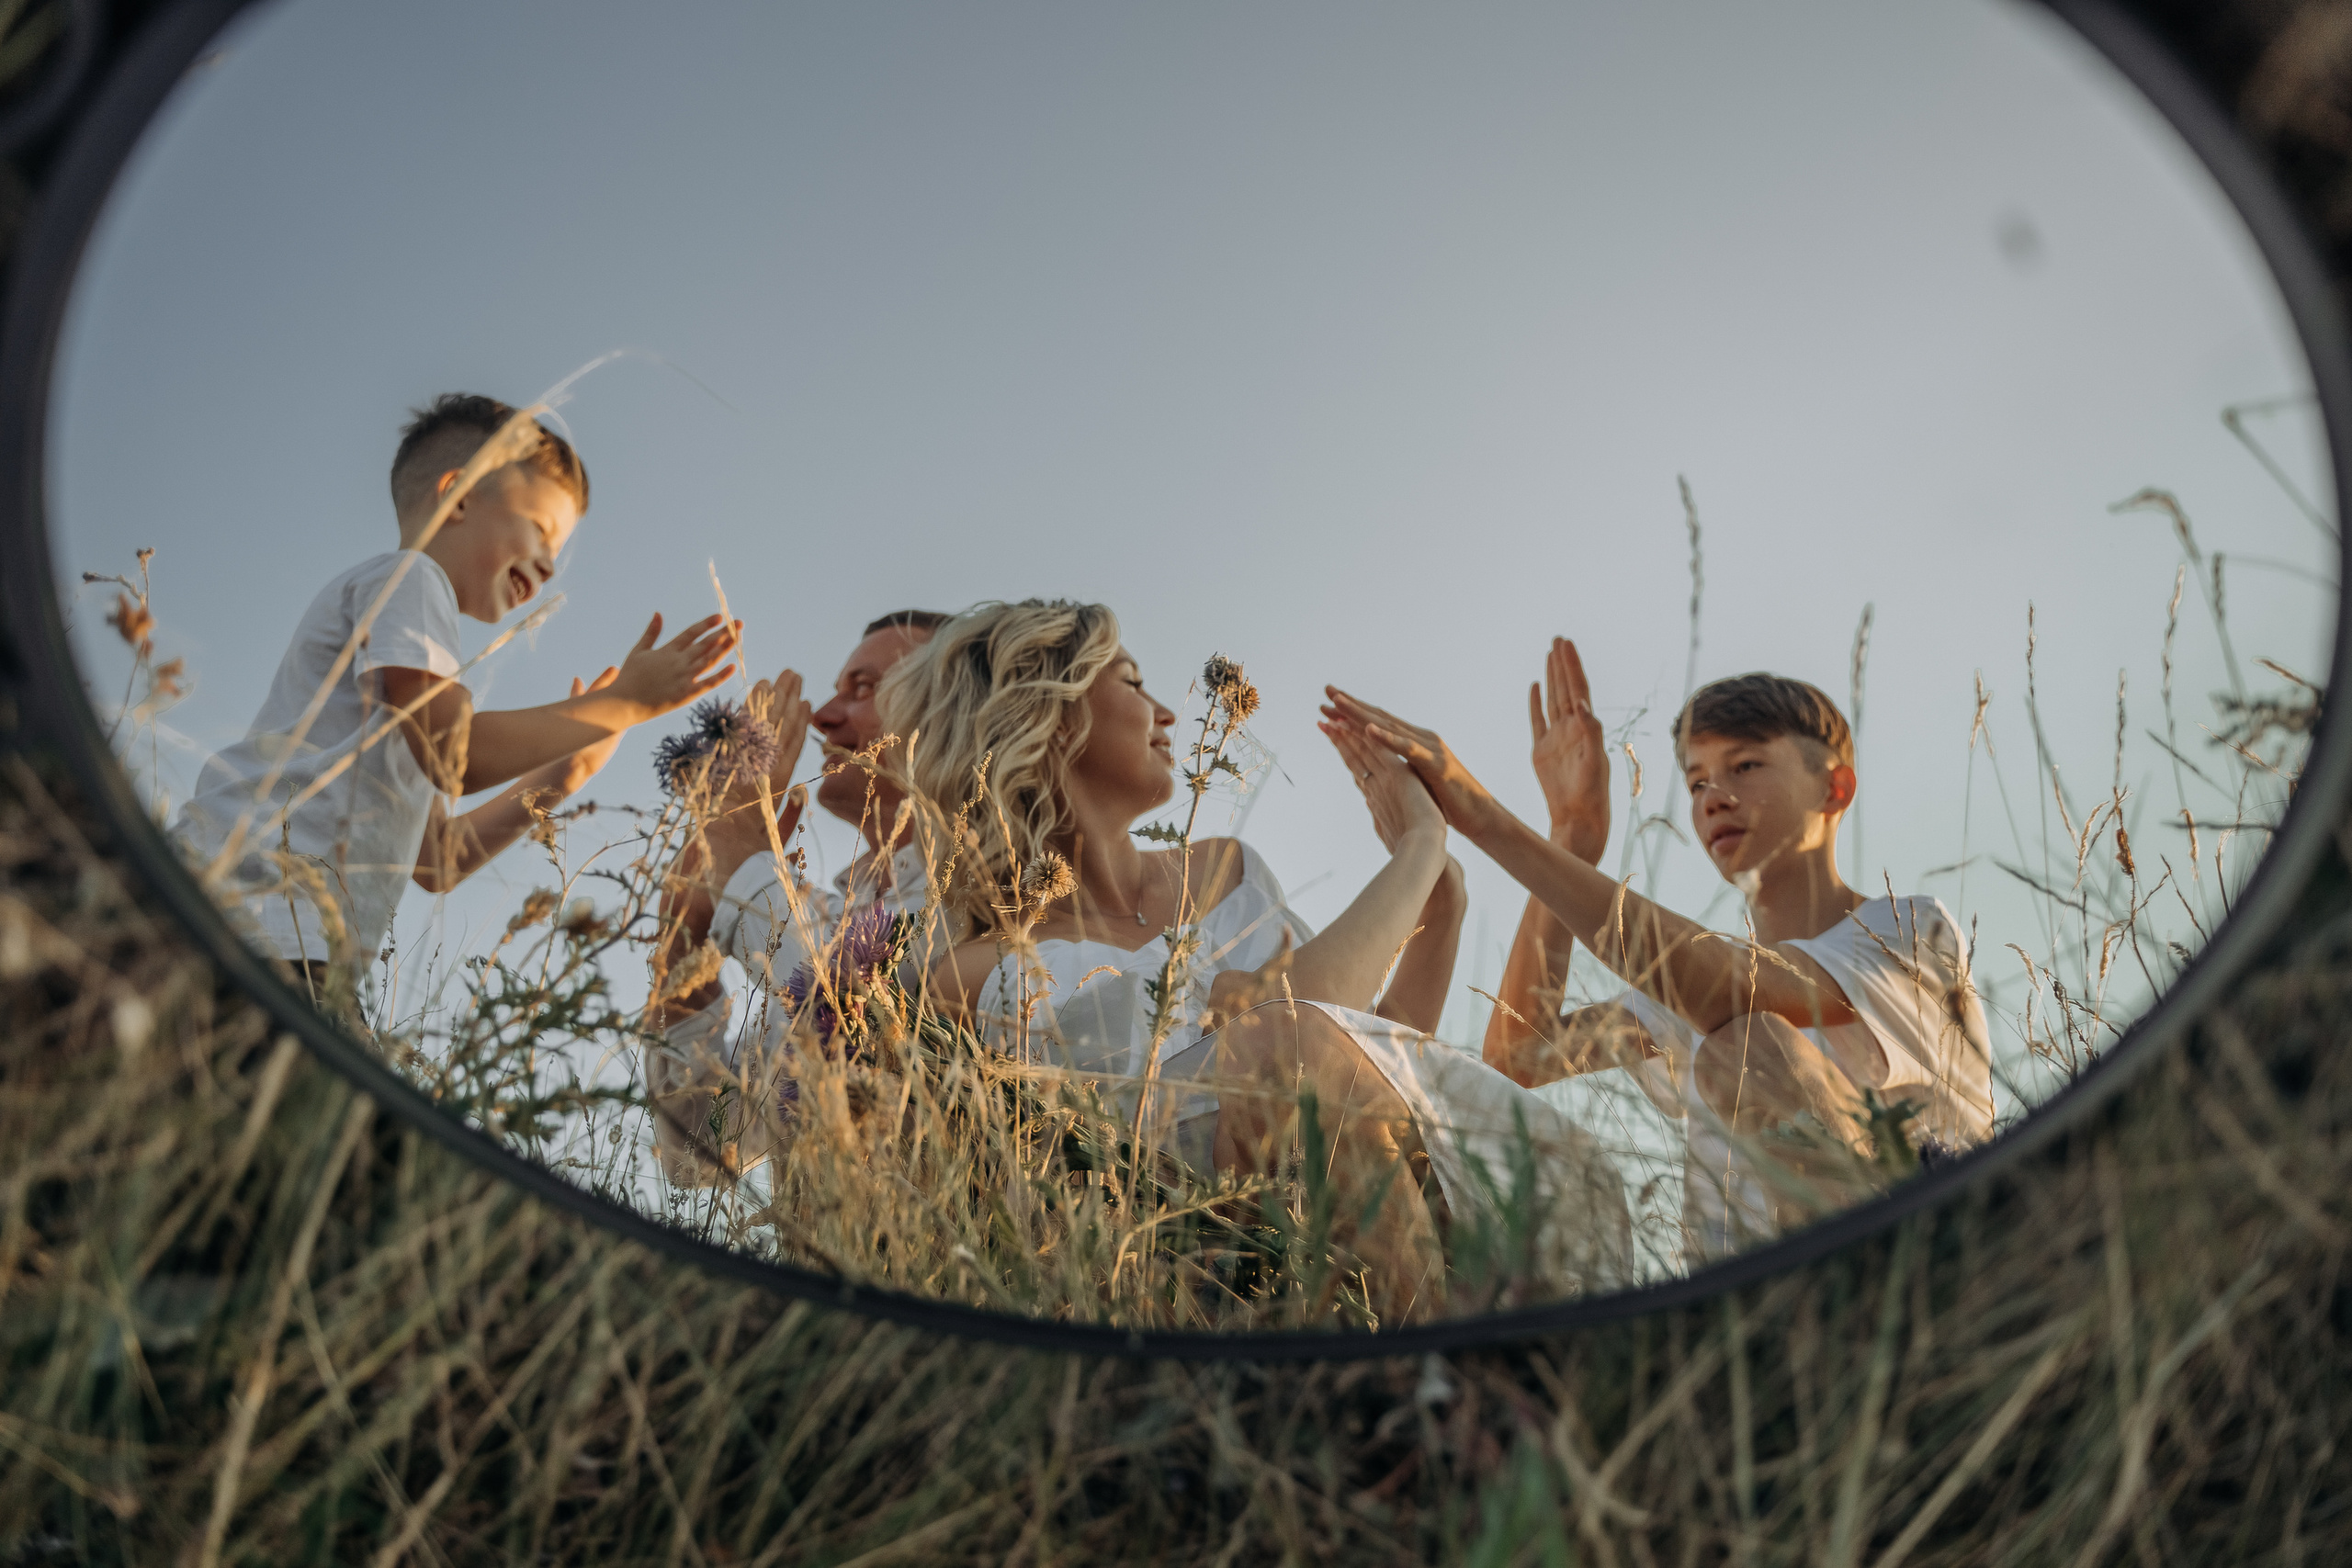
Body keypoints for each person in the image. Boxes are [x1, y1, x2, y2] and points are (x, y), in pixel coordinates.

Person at [888, 600, 1626, 1323]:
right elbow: (1291, 1031)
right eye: (1133, 681)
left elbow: (1351, 1061)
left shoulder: (1226, 870)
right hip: (1190, 1264)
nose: (1167, 713)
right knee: (1276, 1038)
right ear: (1049, 712)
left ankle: (1447, 1360)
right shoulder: (971, 971)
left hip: (1372, 1207)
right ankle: (1433, 1371)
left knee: (1294, 1046)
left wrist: (1442, 911)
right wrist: (1421, 845)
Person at [1332, 647, 1995, 1259]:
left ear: (1834, 787)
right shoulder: (1692, 985)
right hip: (1748, 1310)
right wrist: (1571, 837)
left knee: (1747, 1046)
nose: (1714, 798)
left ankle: (1861, 1277)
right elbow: (1520, 1056)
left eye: (1746, 766)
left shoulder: (1908, 930)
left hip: (1928, 1257)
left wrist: (1488, 821)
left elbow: (1738, 990)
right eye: (1697, 781)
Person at [171, 393, 742, 995]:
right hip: (256, 918)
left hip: (291, 940)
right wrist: (625, 703)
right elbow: (456, 755)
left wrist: (564, 772)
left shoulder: (411, 664)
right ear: (459, 494)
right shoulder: (411, 580)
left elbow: (438, 859)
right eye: (541, 531)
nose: (550, 566)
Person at [646, 610, 951, 1182]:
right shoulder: (829, 917)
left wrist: (743, 861)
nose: (823, 718)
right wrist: (685, 930)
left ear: (957, 712)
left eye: (865, 688)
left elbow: (851, 1021)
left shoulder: (1002, 900)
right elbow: (697, 1150)